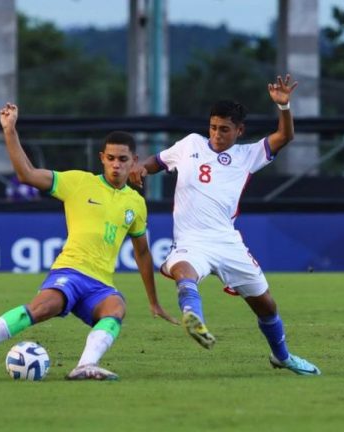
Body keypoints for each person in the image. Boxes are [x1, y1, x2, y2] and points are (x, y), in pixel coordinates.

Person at [0, 103, 177, 380]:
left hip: (100, 284)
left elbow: (142, 252)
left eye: (123, 159)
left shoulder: (136, 203)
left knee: (116, 308)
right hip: (71, 271)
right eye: (111, 158)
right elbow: (27, 174)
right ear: (102, 157)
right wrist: (10, 131)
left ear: (134, 160)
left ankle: (84, 365)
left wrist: (153, 301)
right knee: (42, 308)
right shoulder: (78, 182)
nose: (117, 164)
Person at [129, 74, 321, 375]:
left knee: (267, 306)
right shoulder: (190, 144)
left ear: (239, 130)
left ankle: (282, 356)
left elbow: (284, 137)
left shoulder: (247, 156)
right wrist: (141, 167)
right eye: (213, 127)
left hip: (228, 243)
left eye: (224, 129)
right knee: (185, 272)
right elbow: (157, 161)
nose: (216, 134)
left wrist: (283, 108)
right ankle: (193, 316)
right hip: (192, 241)